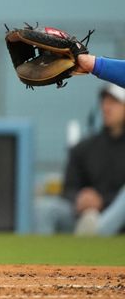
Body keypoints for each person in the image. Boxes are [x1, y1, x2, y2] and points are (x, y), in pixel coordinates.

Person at [34, 84, 125, 236]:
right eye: (105, 102)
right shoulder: (84, 147)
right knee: (45, 209)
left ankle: (96, 231)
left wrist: (102, 200)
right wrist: (80, 198)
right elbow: (68, 188)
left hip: (116, 217)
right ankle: (41, 258)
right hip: (84, 215)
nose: (107, 108)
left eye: (114, 102)